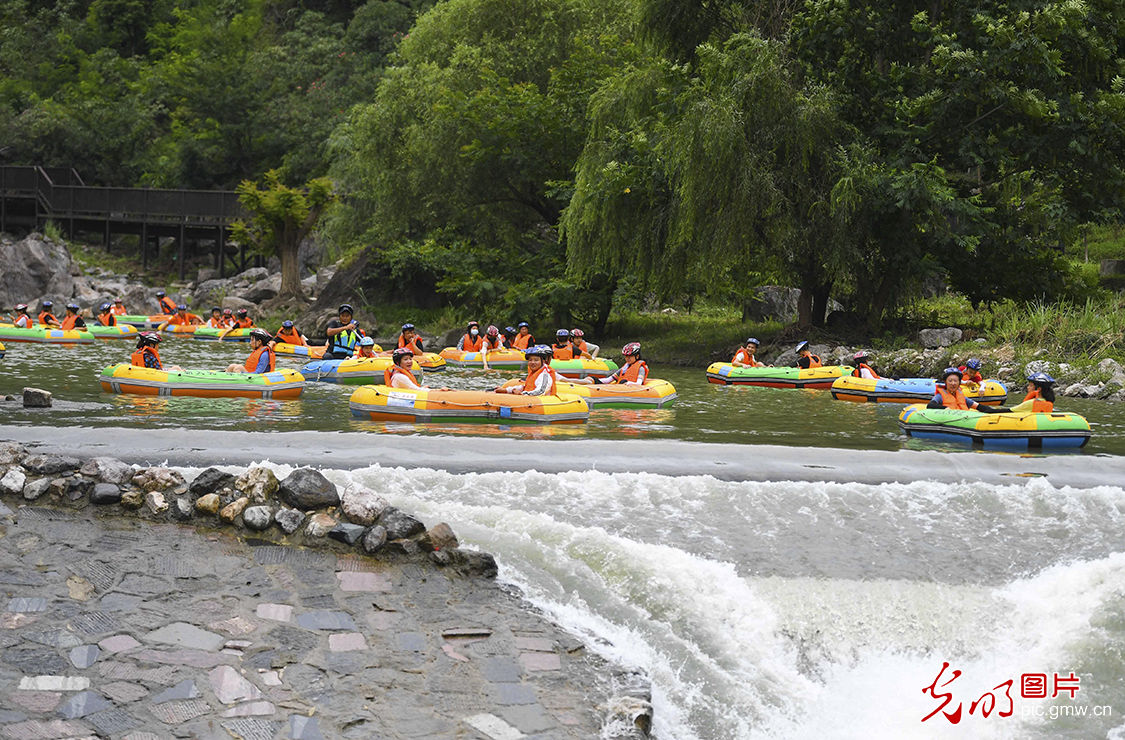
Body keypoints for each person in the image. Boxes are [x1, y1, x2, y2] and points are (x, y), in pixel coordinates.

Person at [927, 367, 1006, 412]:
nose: (953, 383)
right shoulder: (940, 396)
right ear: (946, 382)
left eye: (955, 381)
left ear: (959, 383)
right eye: (950, 381)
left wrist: (998, 412)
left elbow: (979, 406)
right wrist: (945, 409)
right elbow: (930, 405)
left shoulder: (962, 397)